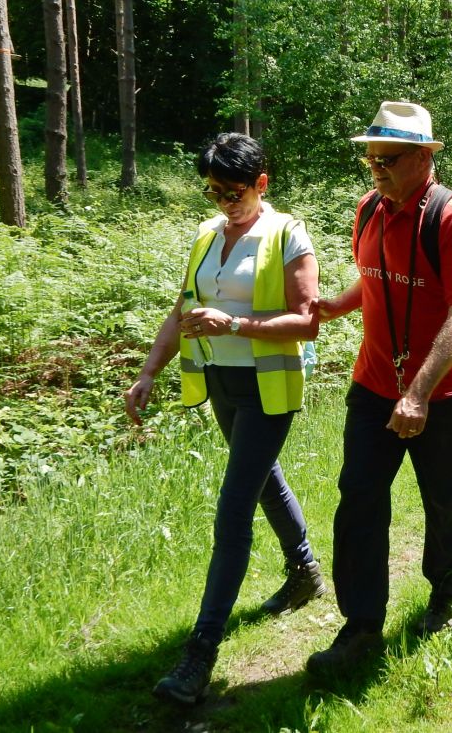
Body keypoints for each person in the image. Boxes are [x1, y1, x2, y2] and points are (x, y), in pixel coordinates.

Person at [124, 133, 324, 704]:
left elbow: (307, 322)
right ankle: (305, 572)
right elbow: (181, 308)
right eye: (212, 191)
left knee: (233, 509)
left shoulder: (288, 234)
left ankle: (200, 653)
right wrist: (148, 372)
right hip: (220, 384)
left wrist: (233, 325)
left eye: (233, 191)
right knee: (263, 483)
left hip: (268, 385)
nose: (223, 202)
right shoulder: (207, 236)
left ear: (262, 183)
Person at [307, 102, 452, 681]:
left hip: (439, 391)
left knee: (445, 498)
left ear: (422, 158)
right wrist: (333, 306)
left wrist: (416, 393)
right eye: (370, 159)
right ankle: (361, 627)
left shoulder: (449, 217)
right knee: (359, 499)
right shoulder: (369, 210)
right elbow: (374, 280)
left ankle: (445, 592)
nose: (376, 170)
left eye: (387, 160)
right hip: (373, 384)